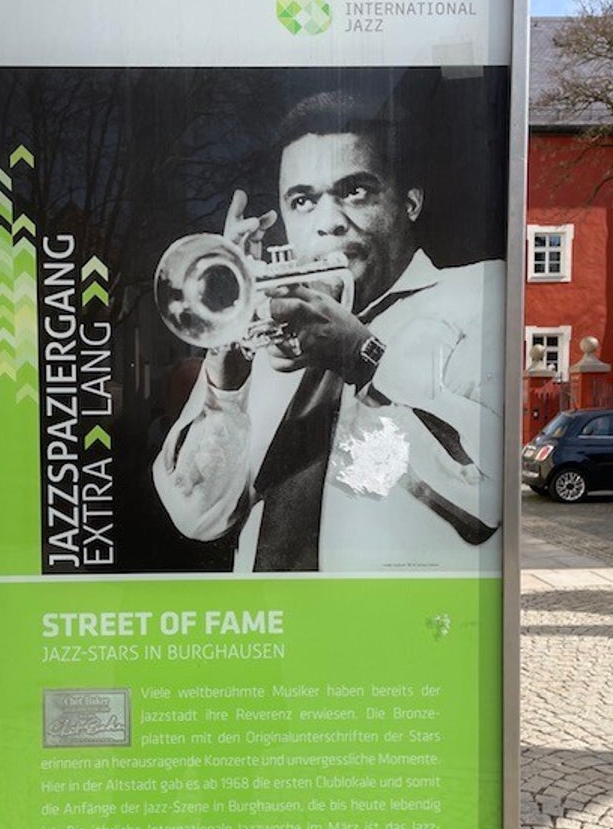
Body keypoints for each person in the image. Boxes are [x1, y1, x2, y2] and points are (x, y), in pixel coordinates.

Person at [152, 90, 504, 573]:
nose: (328, 223)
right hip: (269, 631)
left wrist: (362, 357)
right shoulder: (267, 335)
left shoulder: (476, 293)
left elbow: (486, 492)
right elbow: (194, 515)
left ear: (410, 202)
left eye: (355, 191)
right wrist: (224, 381)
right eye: (302, 201)